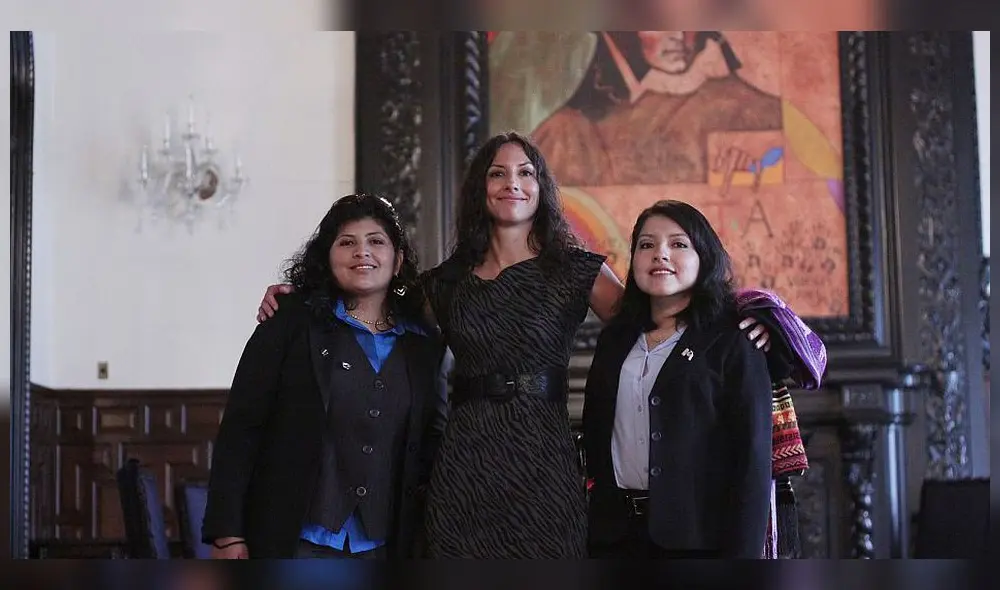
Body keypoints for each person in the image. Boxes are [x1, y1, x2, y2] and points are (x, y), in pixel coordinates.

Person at [255, 132, 778, 558]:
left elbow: (657, 308)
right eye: (498, 173)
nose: (513, 183)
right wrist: (301, 296)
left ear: (542, 187)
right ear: (480, 189)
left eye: (526, 172)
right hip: (464, 457)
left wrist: (759, 316)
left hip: (545, 456)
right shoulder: (446, 282)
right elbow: (371, 302)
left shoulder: (578, 270)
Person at [202, 194, 448, 559]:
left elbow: (432, 441)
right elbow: (242, 428)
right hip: (295, 540)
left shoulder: (424, 344)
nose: (361, 252)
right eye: (347, 242)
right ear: (327, 258)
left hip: (385, 546)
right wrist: (227, 534)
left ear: (397, 261)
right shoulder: (288, 323)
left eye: (376, 242)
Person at [583, 200, 778, 558]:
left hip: (698, 540)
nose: (660, 254)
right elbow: (596, 431)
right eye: (646, 245)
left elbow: (752, 461)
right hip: (614, 537)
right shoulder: (615, 339)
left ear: (704, 257)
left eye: (678, 244)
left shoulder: (734, 339)